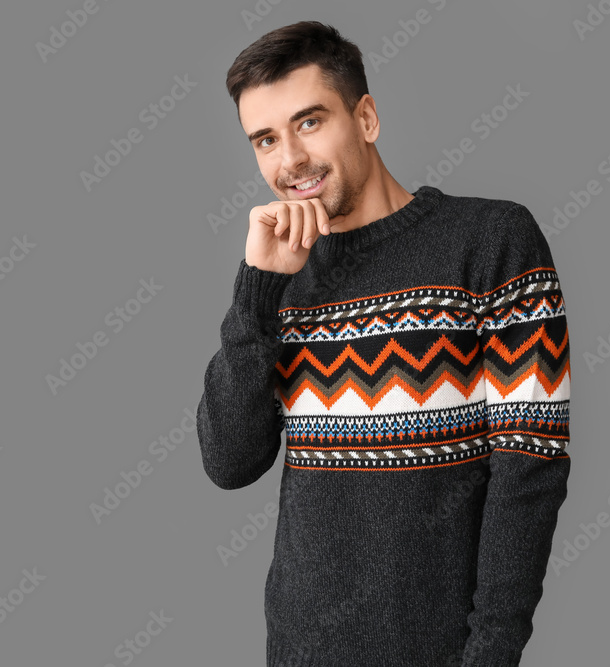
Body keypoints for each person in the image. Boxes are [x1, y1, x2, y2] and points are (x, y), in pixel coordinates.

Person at [196, 20, 571, 666]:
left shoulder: (490, 242)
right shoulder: (283, 278)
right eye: (265, 139)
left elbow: (528, 469)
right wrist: (257, 293)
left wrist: (491, 653)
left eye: (309, 122)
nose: (289, 162)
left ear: (365, 117)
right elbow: (229, 460)